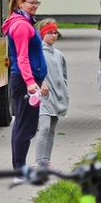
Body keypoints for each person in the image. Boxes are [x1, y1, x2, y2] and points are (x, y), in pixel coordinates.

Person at [3, 0, 48, 170]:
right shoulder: (21, 25)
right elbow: (22, 57)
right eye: (31, 2)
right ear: (20, 3)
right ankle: (20, 167)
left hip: (28, 79)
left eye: (37, 2)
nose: (35, 6)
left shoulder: (25, 22)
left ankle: (19, 165)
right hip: (24, 81)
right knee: (26, 126)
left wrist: (40, 79)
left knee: (23, 123)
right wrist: (30, 82)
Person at [33, 19, 68, 169]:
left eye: (55, 33)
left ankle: (47, 161)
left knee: (52, 129)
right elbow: (34, 72)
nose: (54, 35)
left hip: (58, 97)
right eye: (50, 33)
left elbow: (64, 77)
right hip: (44, 97)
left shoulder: (59, 55)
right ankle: (38, 161)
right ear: (42, 34)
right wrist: (41, 84)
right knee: (45, 127)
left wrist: (64, 94)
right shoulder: (38, 52)